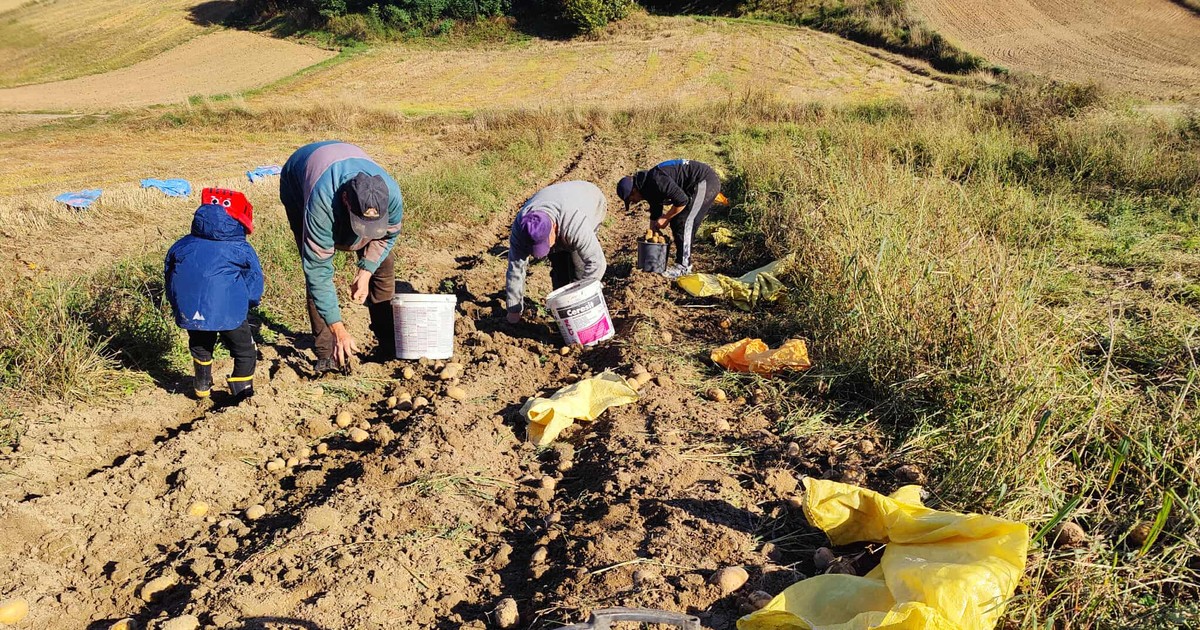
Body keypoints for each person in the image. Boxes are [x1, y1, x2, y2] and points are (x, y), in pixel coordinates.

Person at [280, 141, 403, 373]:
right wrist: (339, 330)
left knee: (384, 263)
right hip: (298, 176)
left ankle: (386, 341)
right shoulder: (321, 204)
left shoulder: (392, 195)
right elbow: (318, 271)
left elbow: (387, 236)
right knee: (316, 271)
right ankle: (326, 354)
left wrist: (366, 271)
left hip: (341, 161)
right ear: (346, 201)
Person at [165, 188, 263, 400]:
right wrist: (250, 302)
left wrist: (176, 303)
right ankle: (243, 396)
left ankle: (201, 385)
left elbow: (169, 274)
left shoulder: (182, 244)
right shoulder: (240, 247)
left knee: (201, 345)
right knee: (244, 351)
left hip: (191, 309)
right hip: (230, 312)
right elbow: (254, 280)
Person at [505, 180, 607, 324]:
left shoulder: (575, 223)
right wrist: (513, 310)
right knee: (559, 265)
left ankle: (586, 319)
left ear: (553, 227)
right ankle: (561, 315)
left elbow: (597, 263)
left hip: (591, 201)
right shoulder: (521, 229)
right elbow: (515, 269)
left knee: (579, 265)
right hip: (558, 203)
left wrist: (581, 300)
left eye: (544, 243)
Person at [617, 159, 723, 279]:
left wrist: (666, 218)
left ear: (634, 190)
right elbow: (655, 212)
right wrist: (653, 232)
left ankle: (684, 266)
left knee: (684, 222)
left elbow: (682, 200)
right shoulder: (647, 187)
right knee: (677, 220)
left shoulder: (656, 181)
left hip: (705, 182)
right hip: (695, 185)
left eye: (631, 199)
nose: (634, 202)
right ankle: (682, 261)